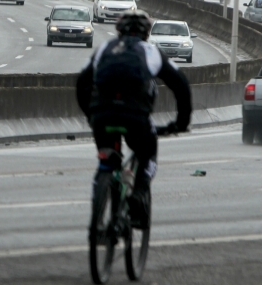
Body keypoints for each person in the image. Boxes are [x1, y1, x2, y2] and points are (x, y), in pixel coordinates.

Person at [76, 12, 192, 227]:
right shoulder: (150, 51)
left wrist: (90, 116)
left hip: (102, 114)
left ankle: (97, 220)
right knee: (148, 152)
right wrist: (181, 122)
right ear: (146, 33)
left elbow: (82, 82)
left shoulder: (105, 48)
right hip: (135, 116)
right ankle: (138, 193)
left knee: (106, 162)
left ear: (119, 31)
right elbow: (181, 85)